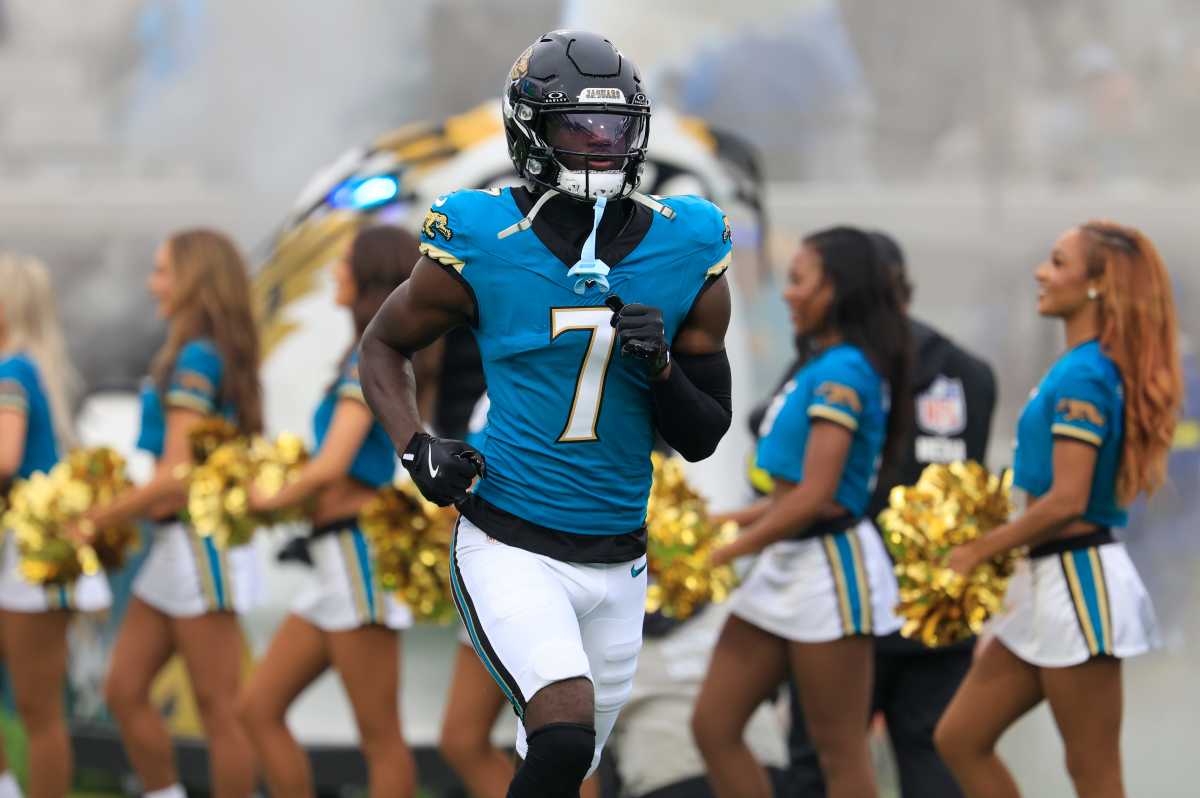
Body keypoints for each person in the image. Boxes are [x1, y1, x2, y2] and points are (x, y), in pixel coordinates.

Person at [360, 30, 734, 798]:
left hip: (620, 559)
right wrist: (415, 445)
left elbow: (703, 436)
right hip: (512, 542)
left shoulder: (688, 242)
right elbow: (382, 346)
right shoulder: (483, 235)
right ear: (531, 130)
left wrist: (662, 368)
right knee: (563, 735)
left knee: (567, 768)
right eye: (579, 127)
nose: (601, 144)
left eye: (615, 128)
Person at [934, 222, 1181, 798]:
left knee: (1093, 774)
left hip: (1078, 584)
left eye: (1058, 262)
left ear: (1098, 284)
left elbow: (1068, 500)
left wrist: (977, 551)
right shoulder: (1078, 366)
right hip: (1046, 580)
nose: (1041, 273)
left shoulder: (1085, 374)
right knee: (960, 738)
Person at [692, 226, 912, 798]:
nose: (786, 293)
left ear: (835, 289)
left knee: (840, 754)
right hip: (785, 561)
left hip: (828, 572)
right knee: (714, 726)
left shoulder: (845, 372)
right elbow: (790, 497)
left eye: (798, 281)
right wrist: (714, 525)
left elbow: (816, 497)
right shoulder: (820, 364)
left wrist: (725, 553)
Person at [784, 231, 997, 798]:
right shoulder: (972, 374)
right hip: (940, 608)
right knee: (932, 759)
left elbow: (777, 446)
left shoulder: (838, 367)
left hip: (846, 601)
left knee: (824, 763)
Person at [235, 227, 420, 797]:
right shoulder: (359, 354)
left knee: (380, 738)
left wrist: (266, 499)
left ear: (370, 277)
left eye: (344, 263)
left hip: (357, 557)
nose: (335, 271)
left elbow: (332, 464)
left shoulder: (371, 357)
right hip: (333, 562)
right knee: (257, 709)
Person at [78, 230, 264, 798]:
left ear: (193, 280)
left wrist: (98, 517)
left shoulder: (198, 356)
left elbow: (178, 474)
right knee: (124, 690)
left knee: (220, 708)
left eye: (162, 271)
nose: (152, 283)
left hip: (200, 547)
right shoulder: (198, 353)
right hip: (173, 546)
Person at [0, 254, 110, 798]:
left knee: (38, 710)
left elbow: (4, 459)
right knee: (38, 708)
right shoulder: (27, 366)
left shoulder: (12, 371)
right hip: (25, 550)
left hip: (36, 554)